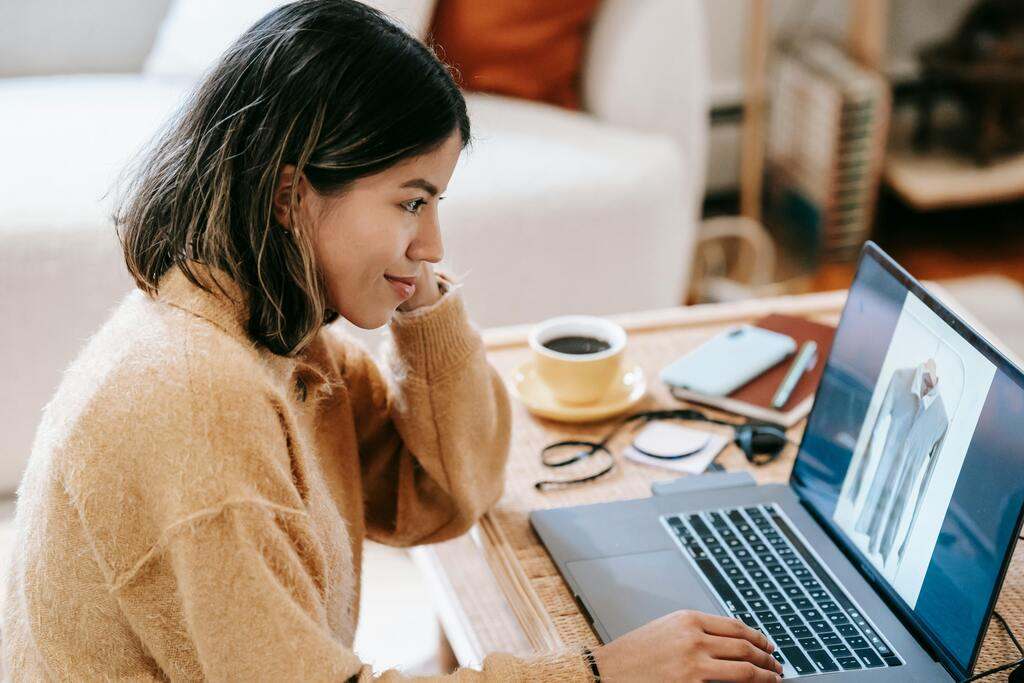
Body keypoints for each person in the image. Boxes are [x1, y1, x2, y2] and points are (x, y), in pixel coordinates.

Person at [0, 2, 783, 681]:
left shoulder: (277, 340)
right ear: (288, 193)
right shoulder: (194, 400)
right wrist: (600, 672)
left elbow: (446, 495)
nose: (435, 240)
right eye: (412, 200)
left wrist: (422, 303)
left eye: (435, 201)